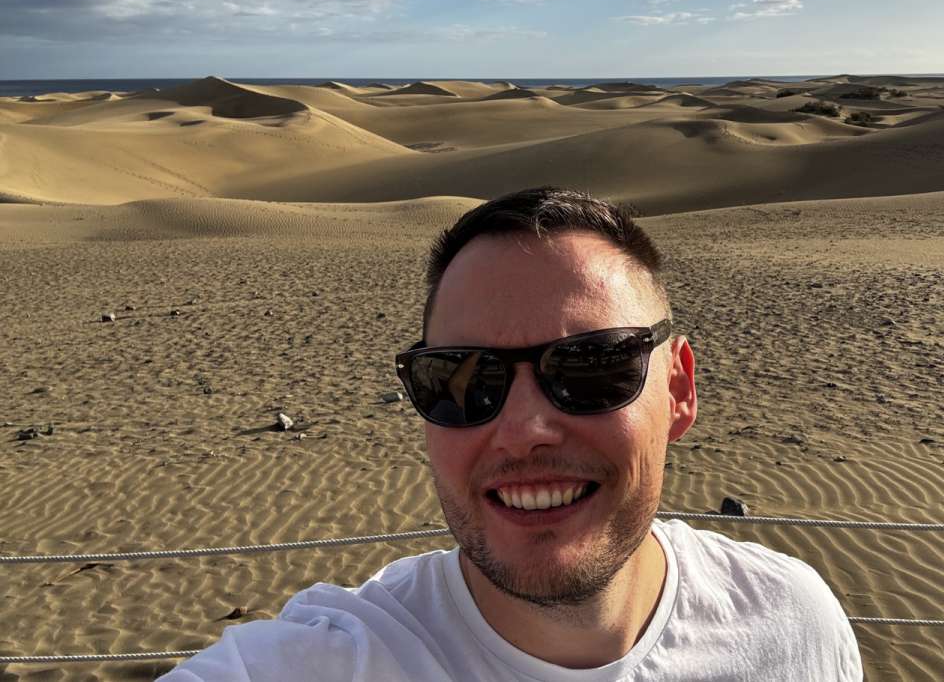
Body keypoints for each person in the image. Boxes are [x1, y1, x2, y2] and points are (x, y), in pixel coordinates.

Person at [163, 186, 862, 681]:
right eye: (462, 378)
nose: (523, 430)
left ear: (680, 389)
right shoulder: (327, 662)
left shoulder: (792, 622)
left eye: (591, 366)